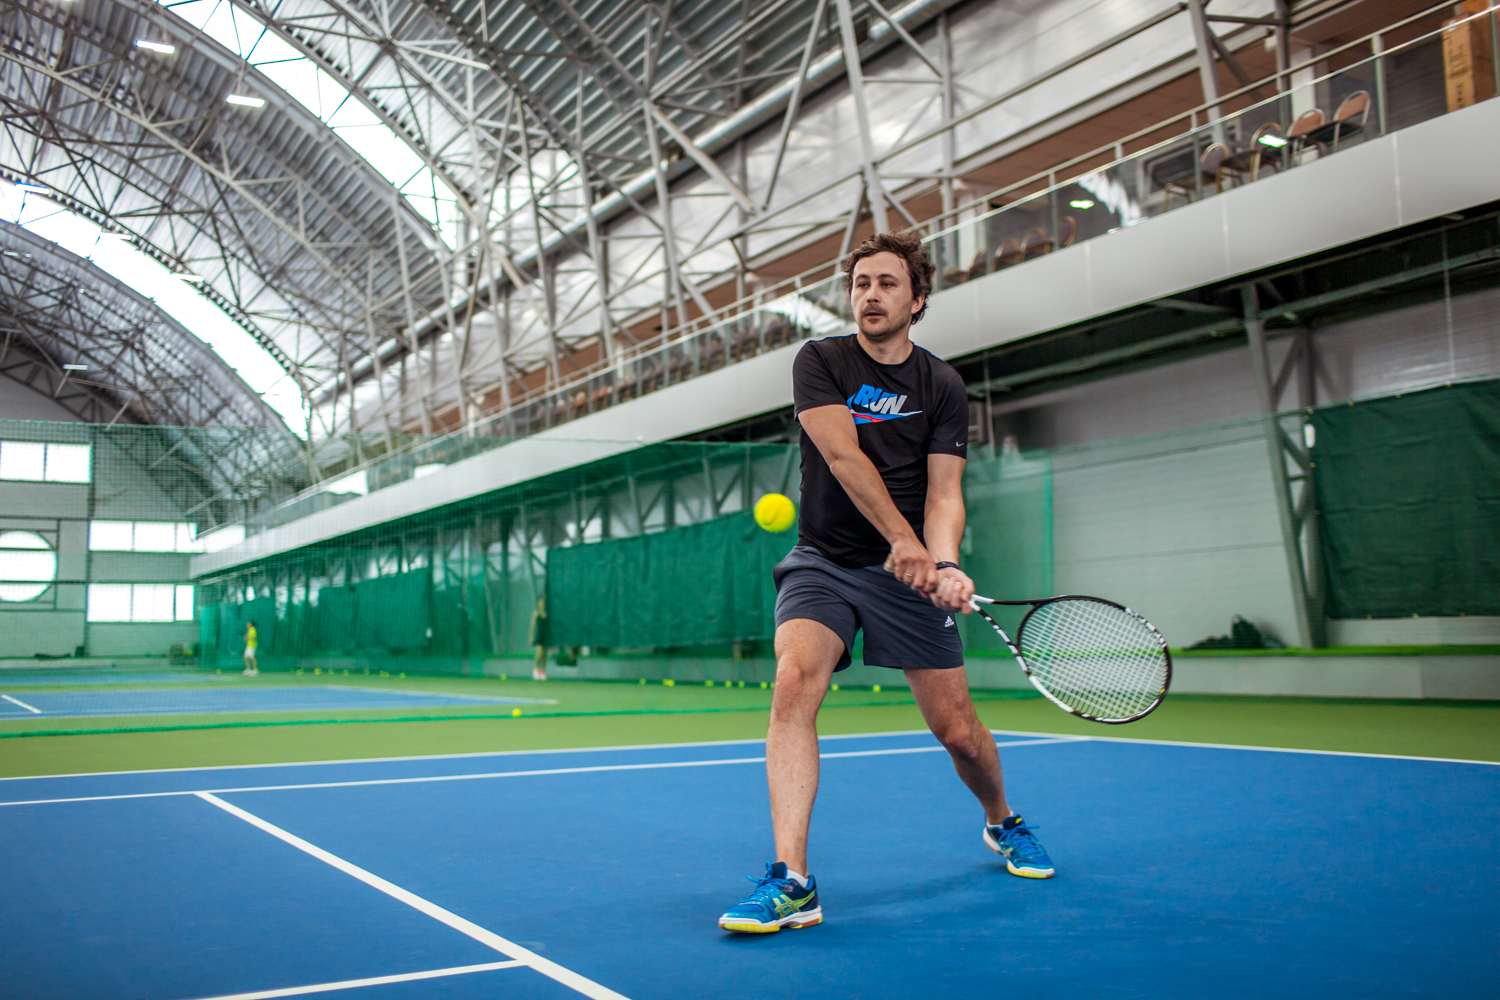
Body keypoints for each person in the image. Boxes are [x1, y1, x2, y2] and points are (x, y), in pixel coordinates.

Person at [718, 232, 1054, 935]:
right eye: (861, 283)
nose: (870, 294)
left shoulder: (943, 386)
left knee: (958, 733)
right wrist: (903, 542)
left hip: (907, 577)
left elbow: (944, 493)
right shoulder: (821, 360)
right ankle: (794, 882)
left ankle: (1003, 820)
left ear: (917, 299)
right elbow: (842, 455)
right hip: (826, 561)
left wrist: (947, 562)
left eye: (887, 284)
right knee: (794, 680)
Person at [529, 597, 550, 681]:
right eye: (540, 603)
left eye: (543, 603)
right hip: (539, 636)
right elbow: (533, 627)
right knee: (540, 653)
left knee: (545, 655)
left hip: (546, 636)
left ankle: (543, 671)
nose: (542, 604)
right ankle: (536, 668)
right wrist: (531, 637)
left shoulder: (548, 614)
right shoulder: (536, 614)